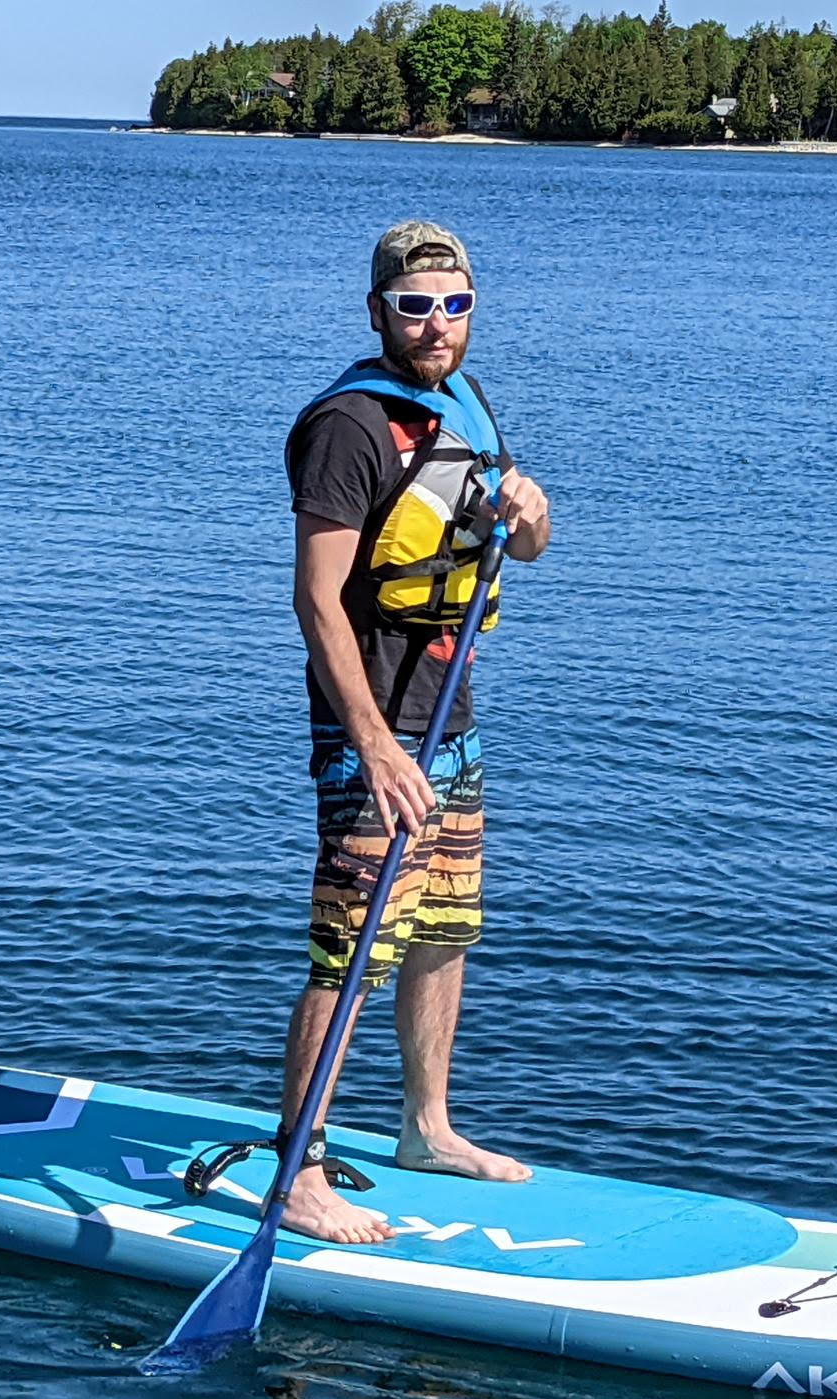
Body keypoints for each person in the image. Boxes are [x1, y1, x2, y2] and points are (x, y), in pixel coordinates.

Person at [278, 221, 552, 1244]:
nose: (437, 324)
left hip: (452, 719)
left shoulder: (464, 408)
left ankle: (425, 1128)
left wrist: (528, 513)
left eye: (455, 304)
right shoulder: (350, 426)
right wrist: (377, 745)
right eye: (416, 305)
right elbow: (316, 602)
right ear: (379, 312)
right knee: (351, 946)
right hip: (376, 728)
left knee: (443, 930)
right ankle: (298, 1168)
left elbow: (526, 547)